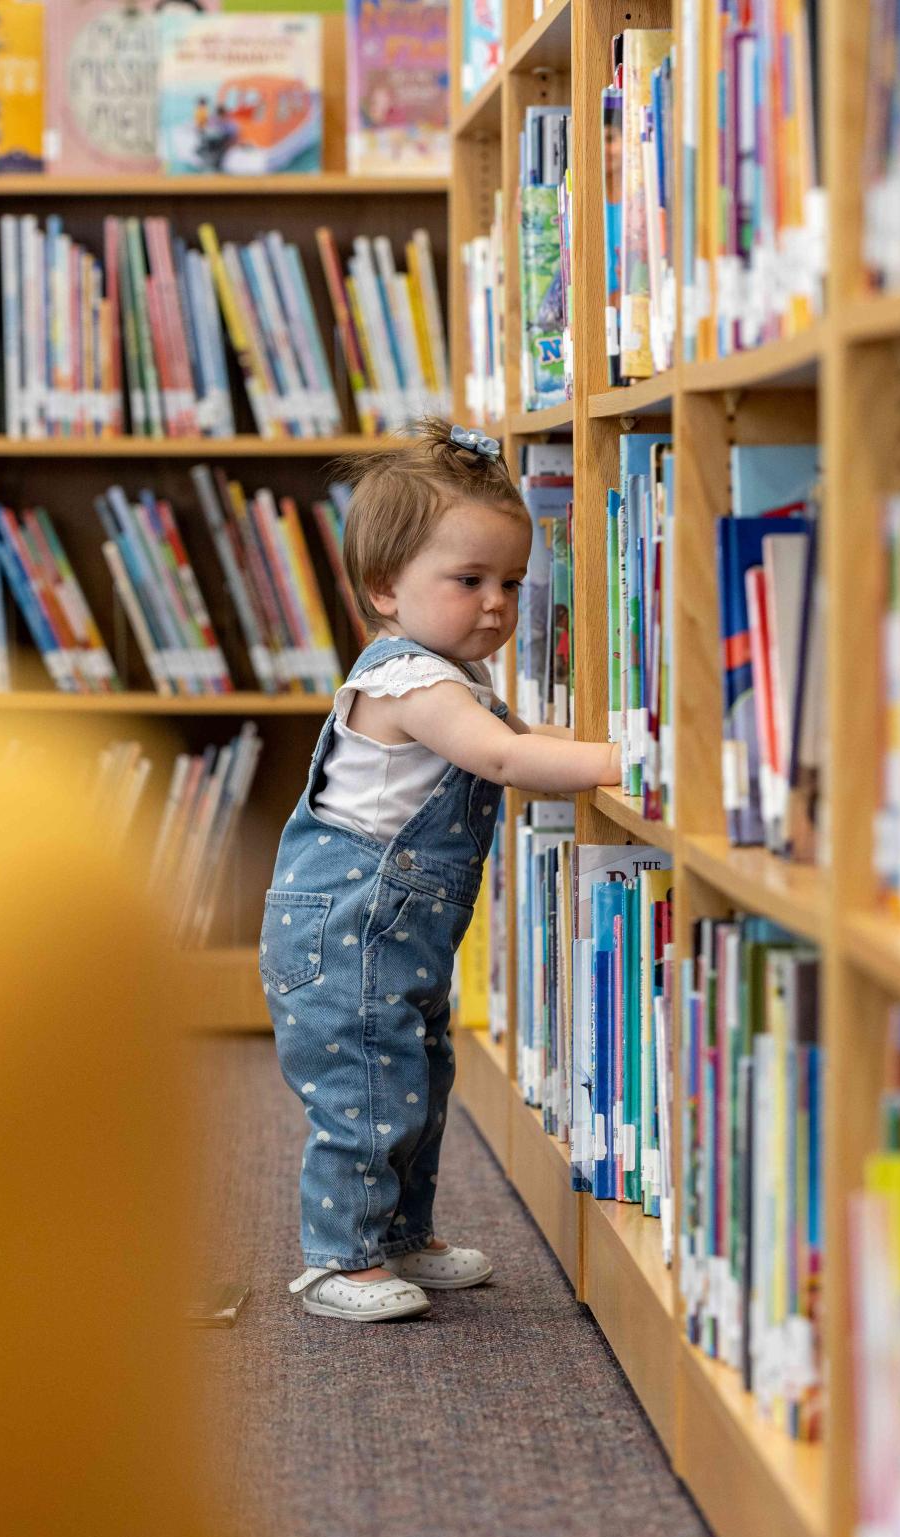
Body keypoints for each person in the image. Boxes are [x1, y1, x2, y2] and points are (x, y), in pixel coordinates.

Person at [261, 418, 619, 1323]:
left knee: (418, 1080)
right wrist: (627, 764)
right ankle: (336, 1258)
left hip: (396, 934)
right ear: (386, 589)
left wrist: (597, 744)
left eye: (511, 582)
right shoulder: (409, 682)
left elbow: (519, 739)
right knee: (365, 1094)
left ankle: (401, 1235)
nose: (497, 604)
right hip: (341, 931)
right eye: (469, 581)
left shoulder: (453, 675)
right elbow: (500, 758)